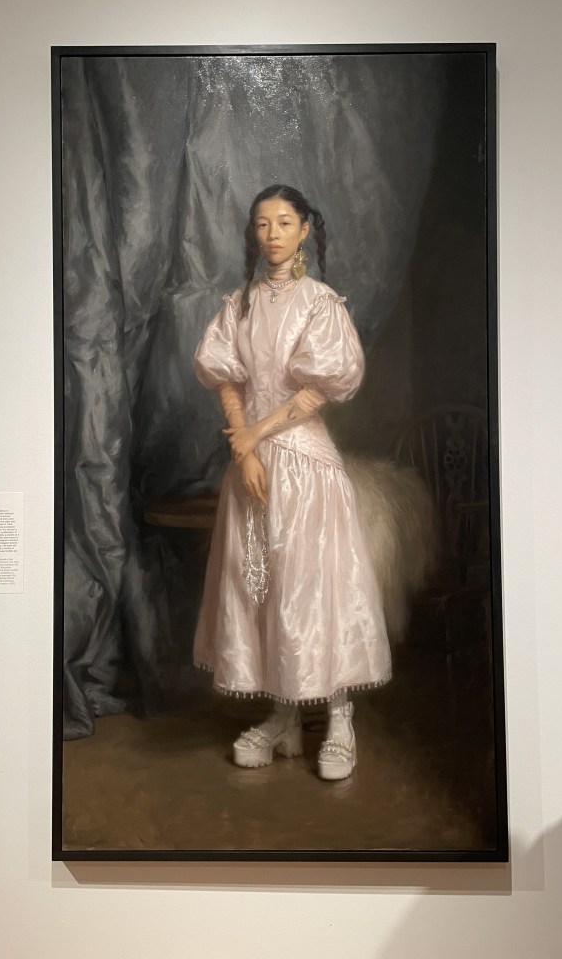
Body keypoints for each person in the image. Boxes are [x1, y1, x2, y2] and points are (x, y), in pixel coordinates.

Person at [193, 184, 391, 780]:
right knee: (263, 591)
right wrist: (243, 446)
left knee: (314, 590)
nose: (272, 233)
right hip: (252, 470)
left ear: (305, 230)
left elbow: (318, 389)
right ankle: (283, 718)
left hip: (306, 469)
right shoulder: (239, 305)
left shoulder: (321, 303)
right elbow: (227, 378)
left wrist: (256, 435)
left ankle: (339, 721)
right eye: (262, 223)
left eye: (284, 222)